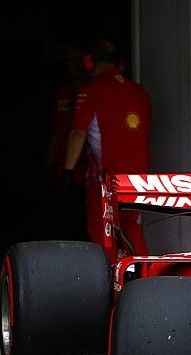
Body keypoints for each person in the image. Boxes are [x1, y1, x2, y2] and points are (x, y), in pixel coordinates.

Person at [63, 38, 151, 260]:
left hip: (105, 177)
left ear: (89, 61)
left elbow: (77, 134)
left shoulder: (90, 90)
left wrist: (66, 173)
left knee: (104, 234)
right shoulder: (140, 92)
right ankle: (145, 284)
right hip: (138, 178)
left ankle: (109, 288)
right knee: (131, 228)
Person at [45, 44, 90, 239]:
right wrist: (47, 167)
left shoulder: (93, 92)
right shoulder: (62, 93)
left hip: (87, 171)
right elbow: (56, 132)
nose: (73, 66)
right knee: (63, 223)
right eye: (69, 61)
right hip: (63, 169)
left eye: (77, 60)